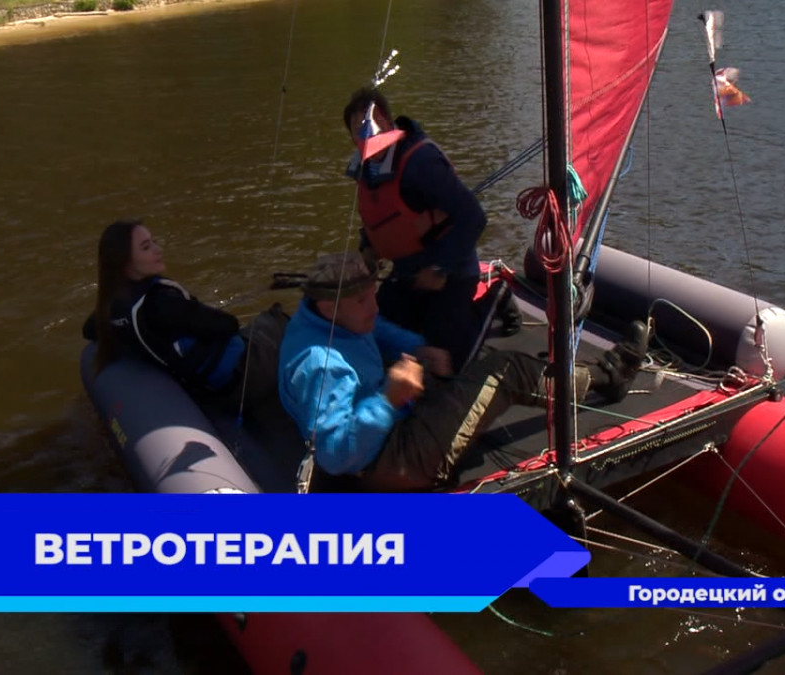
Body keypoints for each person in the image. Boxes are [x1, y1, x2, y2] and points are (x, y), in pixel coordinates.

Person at [278, 251, 649, 492]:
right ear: (328, 308)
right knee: (504, 370)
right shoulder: (321, 365)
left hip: (383, 437)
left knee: (453, 363)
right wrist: (387, 400)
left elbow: (374, 329)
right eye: (362, 300)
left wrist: (418, 347)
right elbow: (334, 455)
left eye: (372, 294)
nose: (373, 306)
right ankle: (609, 377)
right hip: (390, 465)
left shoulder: (325, 319)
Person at [342, 87, 521, 374]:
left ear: (386, 122)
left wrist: (440, 268)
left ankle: (496, 296)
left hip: (452, 273)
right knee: (370, 329)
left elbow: (473, 217)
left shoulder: (420, 162)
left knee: (447, 364)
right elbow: (378, 215)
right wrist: (368, 251)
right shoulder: (365, 170)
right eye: (357, 130)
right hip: (406, 274)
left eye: (372, 124)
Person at [82, 219, 287, 413]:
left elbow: (89, 330)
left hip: (205, 389)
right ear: (124, 262)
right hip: (245, 380)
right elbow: (229, 324)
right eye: (146, 247)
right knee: (276, 318)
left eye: (154, 242)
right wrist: (195, 309)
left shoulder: (112, 306)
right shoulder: (163, 304)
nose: (158, 250)